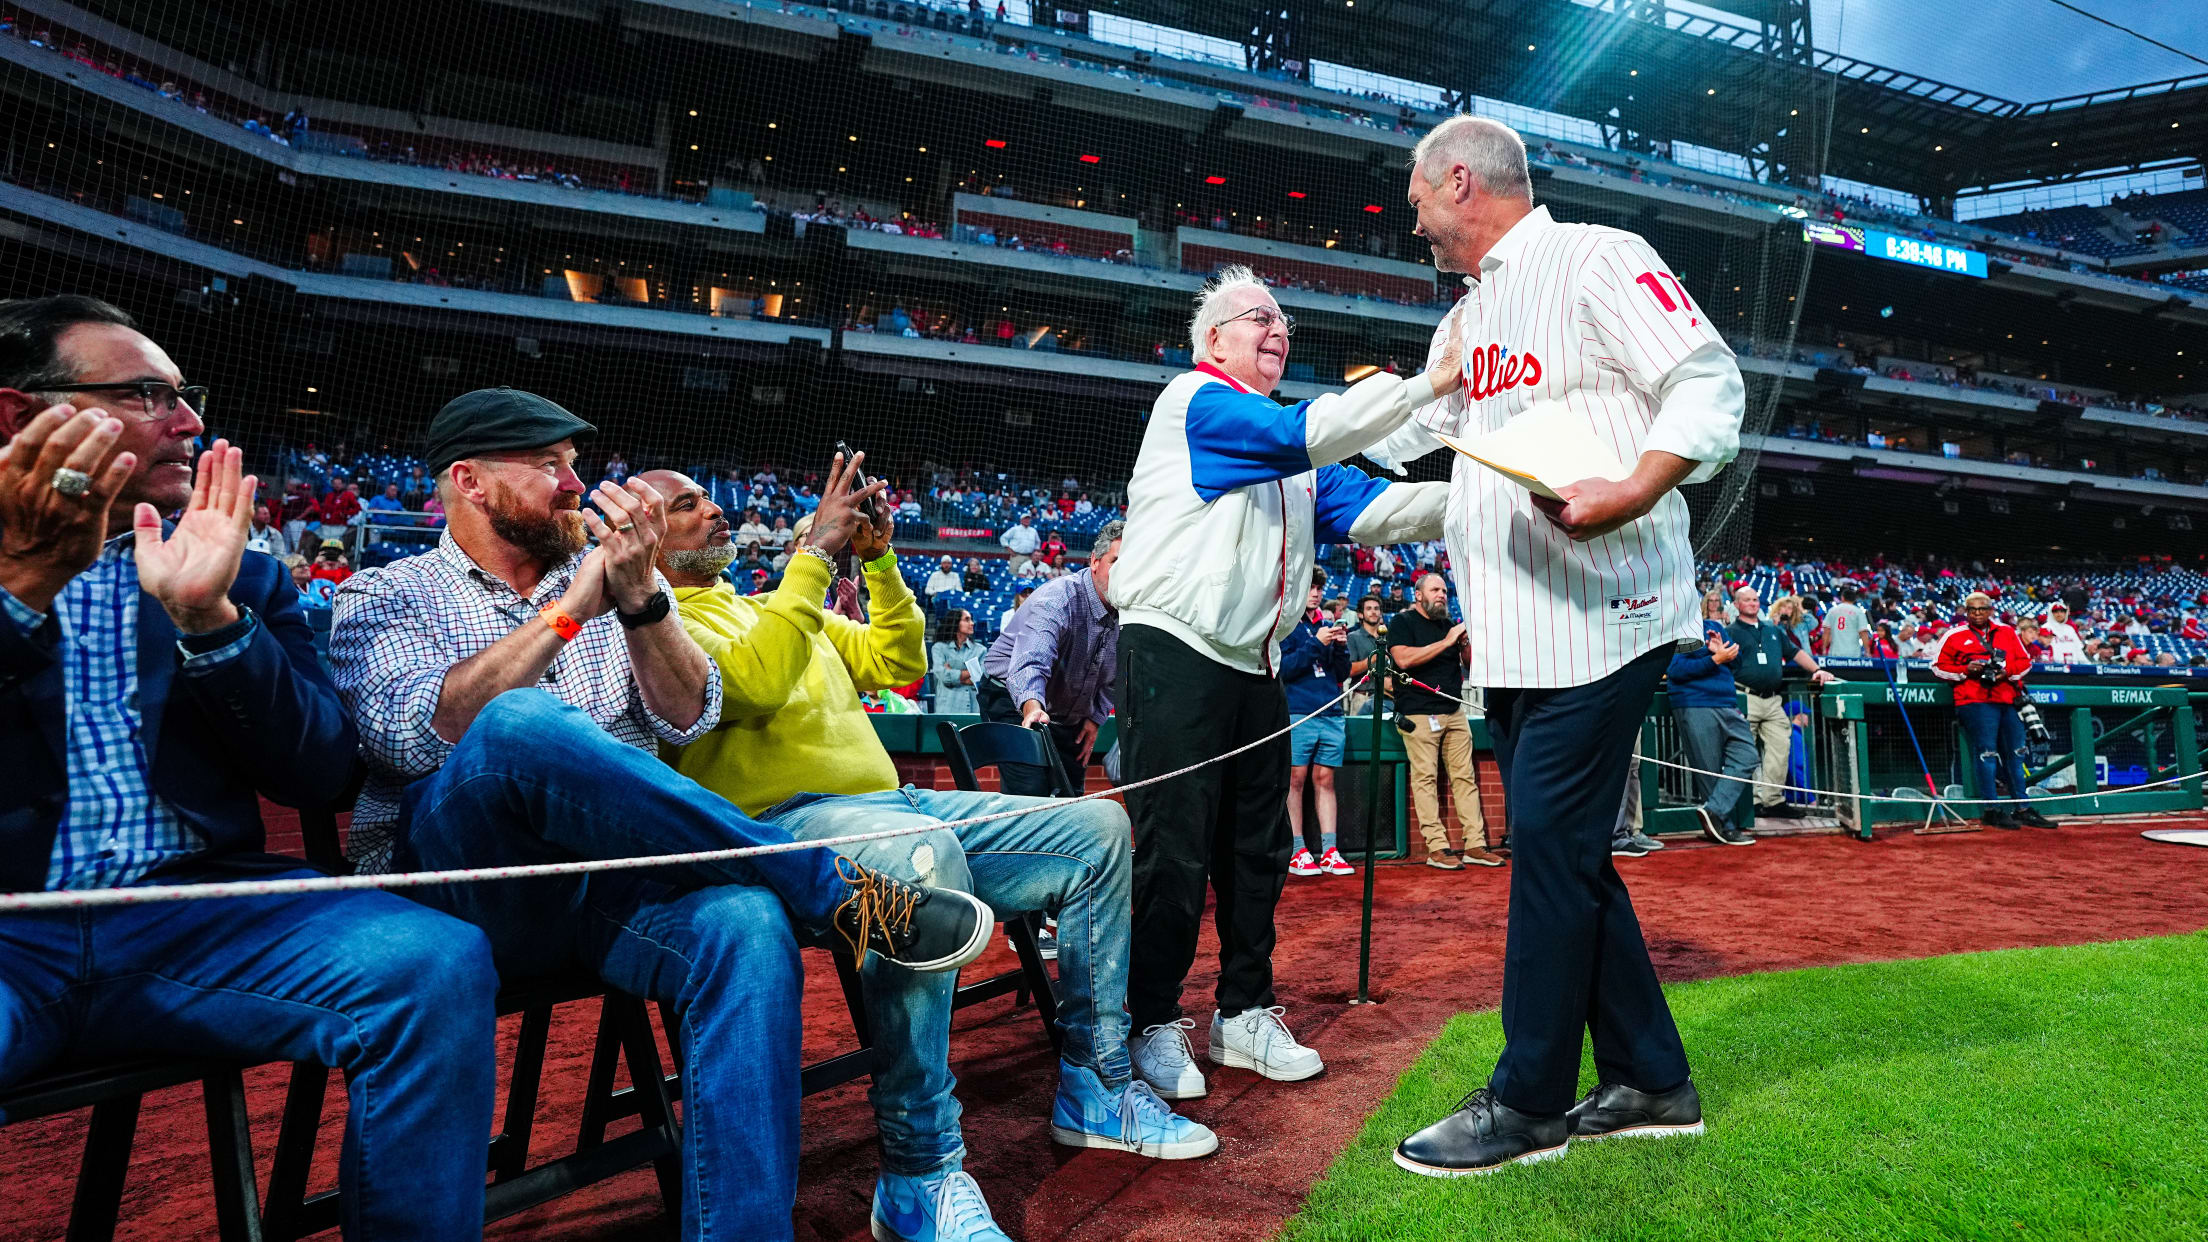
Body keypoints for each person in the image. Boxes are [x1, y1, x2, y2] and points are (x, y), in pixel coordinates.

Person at [329, 389, 991, 1242]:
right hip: (464, 887)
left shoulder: (622, 581)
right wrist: (569, 614)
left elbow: (688, 715)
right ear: (469, 481)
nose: (575, 484)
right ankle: (828, 884)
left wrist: (640, 600)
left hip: (607, 887)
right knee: (520, 722)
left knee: (747, 923)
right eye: (548, 465)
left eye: (574, 463)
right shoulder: (387, 591)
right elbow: (419, 735)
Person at [0, 294, 500, 1240]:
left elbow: (321, 776)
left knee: (431, 961)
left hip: (200, 917)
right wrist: (23, 588)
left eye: (185, 396)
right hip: (11, 932)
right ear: (19, 416)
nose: (188, 423)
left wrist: (212, 625)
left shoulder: (244, 571)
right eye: (149, 395)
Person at [640, 466, 1214, 1242]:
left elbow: (895, 659)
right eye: (688, 506)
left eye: (710, 498)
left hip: (896, 810)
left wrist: (878, 562)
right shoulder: (660, 624)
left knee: (1097, 831)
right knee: (923, 858)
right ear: (644, 540)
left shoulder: (772, 607)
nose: (715, 510)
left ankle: (1097, 1084)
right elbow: (755, 682)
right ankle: (919, 1170)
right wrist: (813, 553)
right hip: (786, 830)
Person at [1370, 116, 1745, 1176]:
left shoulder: (1596, 256)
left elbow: (1709, 381)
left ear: (1459, 181)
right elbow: (1406, 443)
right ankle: (1652, 1080)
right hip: (1521, 633)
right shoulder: (1469, 317)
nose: (1412, 217)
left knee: (1546, 851)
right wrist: (1302, 445)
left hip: (1606, 613)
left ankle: (1529, 1099)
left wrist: (1635, 485)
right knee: (1567, 854)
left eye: (1416, 195)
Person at [1110, 263, 1459, 1098]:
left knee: (1257, 851)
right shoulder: (1194, 402)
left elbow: (1376, 509)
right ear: (1213, 339)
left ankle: (1243, 1014)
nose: (1277, 330)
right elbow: (1307, 437)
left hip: (1254, 665)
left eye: (1284, 323)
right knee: (1172, 851)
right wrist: (1427, 387)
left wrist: (1487, 498)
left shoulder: (1289, 446)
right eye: (1256, 316)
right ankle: (1152, 1020)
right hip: (1174, 649)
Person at [981, 521, 1124, 796]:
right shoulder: (1059, 598)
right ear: (1095, 561)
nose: (1124, 573)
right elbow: (1030, 661)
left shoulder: (1131, 608)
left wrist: (1095, 718)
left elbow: (1117, 676)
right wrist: (1032, 707)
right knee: (1030, 796)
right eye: (1116, 561)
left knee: (1070, 795)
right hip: (1012, 696)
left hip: (1067, 708)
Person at [1390, 572, 1500, 869]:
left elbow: (1470, 666)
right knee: (1425, 779)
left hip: (1453, 712)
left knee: (1465, 779)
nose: (1442, 594)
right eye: (1435, 590)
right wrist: (1448, 640)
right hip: (1419, 713)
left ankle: (1475, 845)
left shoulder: (1447, 626)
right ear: (1418, 595)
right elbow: (1402, 660)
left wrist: (1463, 643)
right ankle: (1437, 848)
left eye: (1444, 590)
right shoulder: (1402, 622)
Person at [1931, 592, 2058, 831]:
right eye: (1972, 610)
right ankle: (1992, 809)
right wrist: (1966, 669)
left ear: (1991, 610)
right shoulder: (1954, 635)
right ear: (1966, 612)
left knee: (2016, 753)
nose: (1977, 613)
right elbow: (1937, 668)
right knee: (1987, 754)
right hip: (1974, 700)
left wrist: (2005, 672)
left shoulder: (2007, 632)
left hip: (2008, 698)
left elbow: (2024, 663)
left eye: (1982, 609)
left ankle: (2022, 807)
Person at [1728, 586, 1837, 820]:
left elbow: (1795, 652)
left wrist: (1817, 669)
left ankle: (1772, 799)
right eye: (1746, 600)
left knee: (1781, 747)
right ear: (1736, 604)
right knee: (1747, 752)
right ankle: (1752, 802)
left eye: (1755, 599)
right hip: (1744, 697)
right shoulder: (1730, 631)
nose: (1752, 603)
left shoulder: (1773, 629)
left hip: (1772, 698)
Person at [1666, 593, 1760, 846]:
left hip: (1727, 702)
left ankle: (1714, 811)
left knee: (1748, 755)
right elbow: (1675, 671)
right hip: (1695, 704)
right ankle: (1724, 827)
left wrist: (1724, 654)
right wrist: (1715, 660)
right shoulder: (1676, 630)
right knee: (1707, 769)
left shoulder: (1715, 627)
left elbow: (1737, 662)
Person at [1283, 569, 1354, 878]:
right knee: (1295, 779)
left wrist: (1340, 647)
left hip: (1331, 710)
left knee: (1325, 779)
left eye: (1317, 587)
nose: (1314, 592)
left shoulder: (1325, 624)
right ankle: (1297, 849)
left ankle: (1329, 850)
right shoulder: (1283, 626)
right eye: (1309, 587)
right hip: (1299, 711)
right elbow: (1282, 669)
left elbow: (1341, 673)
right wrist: (1316, 644)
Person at [929, 607, 985, 715]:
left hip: (973, 710)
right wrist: (971, 672)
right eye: (967, 619)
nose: (972, 623)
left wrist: (953, 673)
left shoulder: (980, 650)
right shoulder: (939, 648)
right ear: (955, 622)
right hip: (947, 709)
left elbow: (980, 680)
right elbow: (944, 676)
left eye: (971, 619)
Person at [1344, 594, 1389, 716]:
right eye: (1368, 609)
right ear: (1360, 614)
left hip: (1387, 700)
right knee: (1360, 735)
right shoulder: (1352, 637)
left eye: (1376, 608)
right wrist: (1375, 657)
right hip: (1362, 698)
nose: (1373, 612)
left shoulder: (1388, 638)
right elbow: (1350, 670)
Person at [1819, 582, 1868, 658]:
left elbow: (1826, 631)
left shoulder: (1832, 610)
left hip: (1835, 653)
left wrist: (1824, 649)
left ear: (1842, 597)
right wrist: (1867, 652)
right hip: (1853, 654)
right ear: (1854, 599)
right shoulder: (1858, 612)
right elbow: (1863, 632)